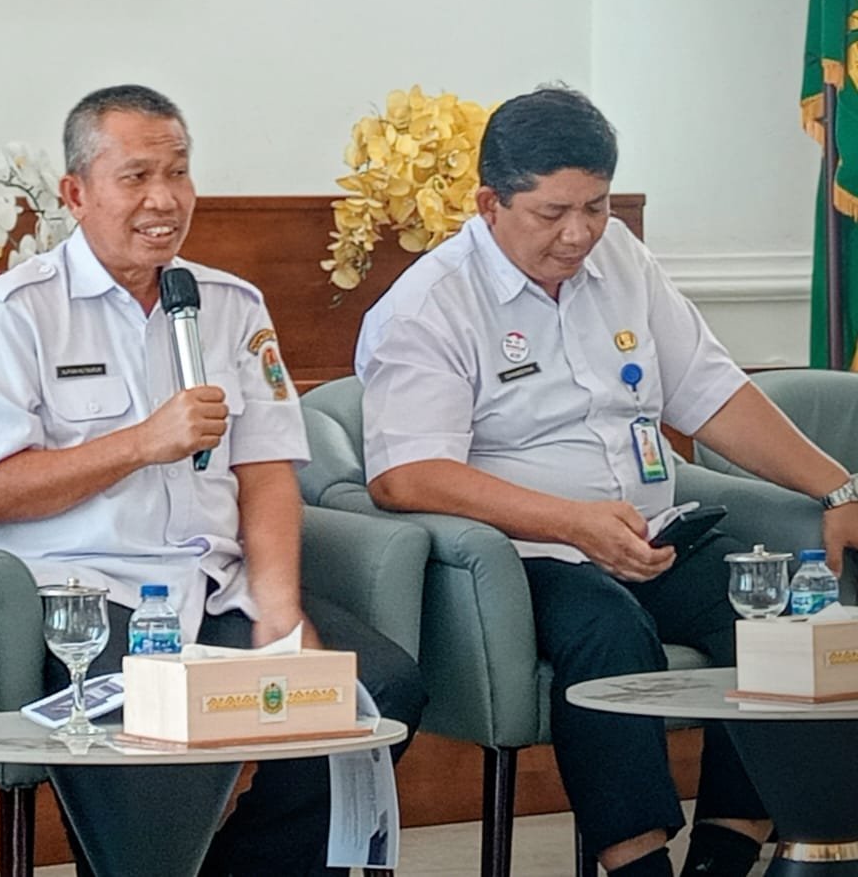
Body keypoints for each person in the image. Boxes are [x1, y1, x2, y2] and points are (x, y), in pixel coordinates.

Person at [356, 86, 858, 877]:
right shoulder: (431, 304)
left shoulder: (620, 257)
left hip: (653, 533)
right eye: (553, 213)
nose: (579, 234)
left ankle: (725, 856)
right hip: (526, 558)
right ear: (489, 203)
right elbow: (405, 474)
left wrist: (839, 488)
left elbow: (711, 392)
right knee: (608, 629)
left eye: (596, 206)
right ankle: (638, 866)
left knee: (778, 616)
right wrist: (571, 522)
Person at [0, 84, 427, 877]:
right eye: (135, 177)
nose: (163, 200)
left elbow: (266, 469)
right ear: (76, 193)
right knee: (160, 738)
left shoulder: (229, 305)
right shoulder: (14, 313)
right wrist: (140, 443)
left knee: (379, 689)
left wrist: (279, 611)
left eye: (178, 173)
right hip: (91, 602)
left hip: (215, 589)